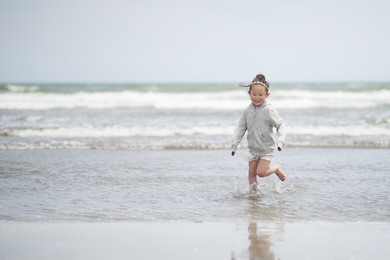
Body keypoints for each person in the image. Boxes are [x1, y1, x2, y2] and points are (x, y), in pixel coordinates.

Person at [231, 73, 286, 192]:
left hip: (267, 148)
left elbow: (281, 125)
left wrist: (280, 141)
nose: (257, 97)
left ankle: (276, 169)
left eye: (260, 94)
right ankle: (253, 196)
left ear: (267, 95)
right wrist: (234, 144)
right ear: (249, 93)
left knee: (260, 173)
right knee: (251, 173)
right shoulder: (247, 111)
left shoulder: (269, 109)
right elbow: (240, 128)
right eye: (254, 94)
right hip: (253, 148)